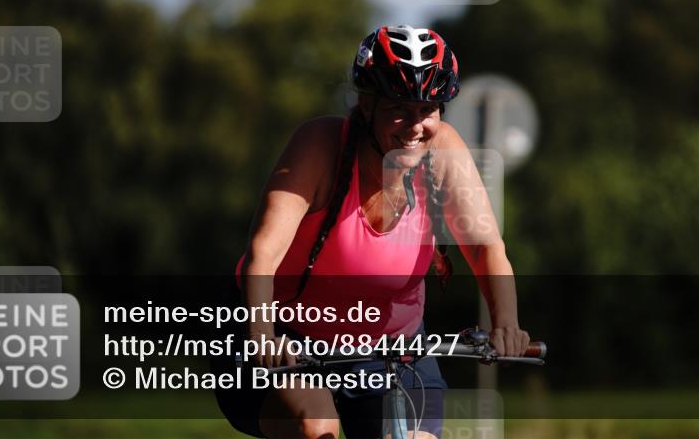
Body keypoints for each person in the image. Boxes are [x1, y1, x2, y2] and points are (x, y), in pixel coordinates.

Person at [215, 25, 529, 439]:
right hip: (288, 338)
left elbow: (487, 247)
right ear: (366, 104)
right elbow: (263, 254)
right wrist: (261, 335)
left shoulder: (444, 151)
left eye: (428, 109)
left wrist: (506, 323)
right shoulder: (321, 144)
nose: (415, 126)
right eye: (399, 107)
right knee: (314, 424)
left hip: (392, 351)